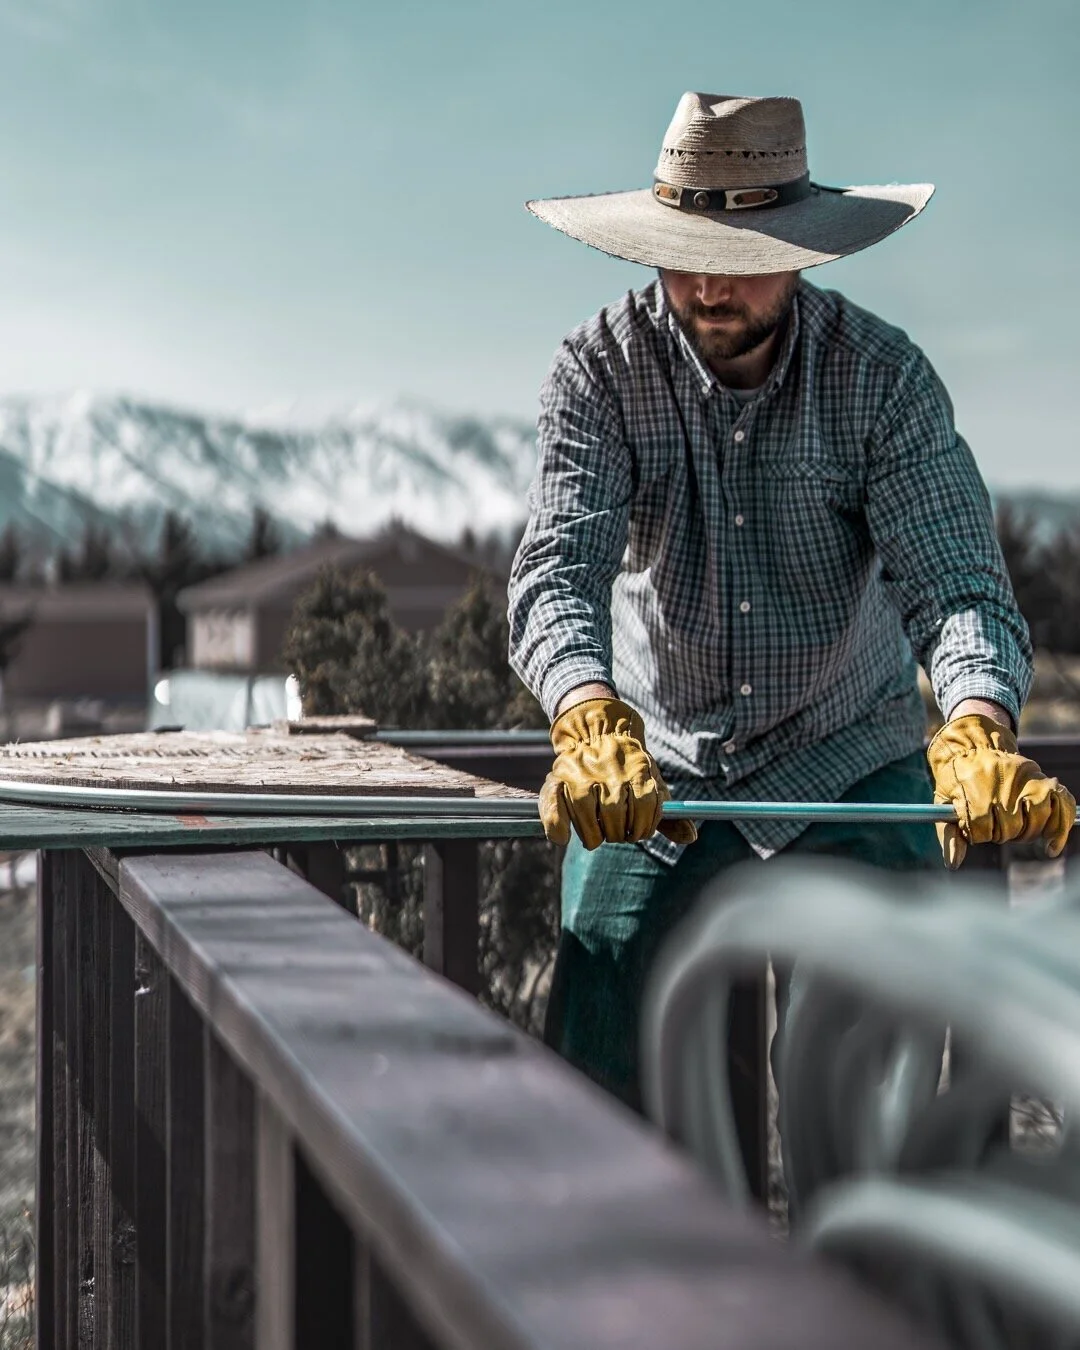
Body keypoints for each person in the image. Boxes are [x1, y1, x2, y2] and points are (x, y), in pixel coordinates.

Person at [507, 90, 1075, 1113]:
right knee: (600, 1022)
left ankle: (856, 1265)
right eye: (685, 250)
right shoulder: (597, 370)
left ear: (804, 252)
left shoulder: (885, 380)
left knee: (869, 1080)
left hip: (852, 758)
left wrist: (979, 725)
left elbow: (956, 587)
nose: (711, 285)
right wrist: (587, 714)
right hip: (659, 768)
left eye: (745, 255)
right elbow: (558, 568)